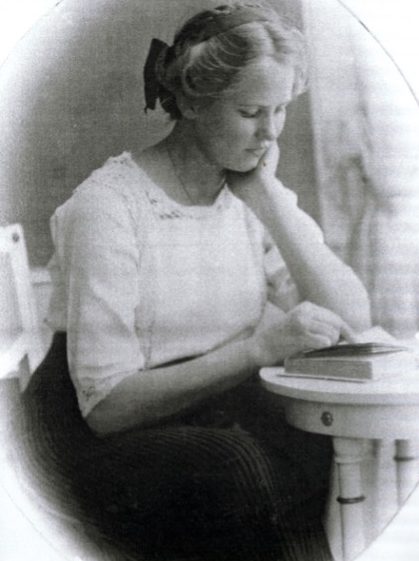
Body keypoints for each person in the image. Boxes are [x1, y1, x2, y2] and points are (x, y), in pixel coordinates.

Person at [20, 2, 371, 560]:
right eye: (251, 111)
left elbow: (354, 318)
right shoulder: (109, 207)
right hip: (89, 429)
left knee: (308, 437)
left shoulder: (248, 191)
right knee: (235, 466)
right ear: (190, 103)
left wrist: (268, 199)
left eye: (281, 109)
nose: (269, 133)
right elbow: (106, 407)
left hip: (199, 403)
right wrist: (258, 350)